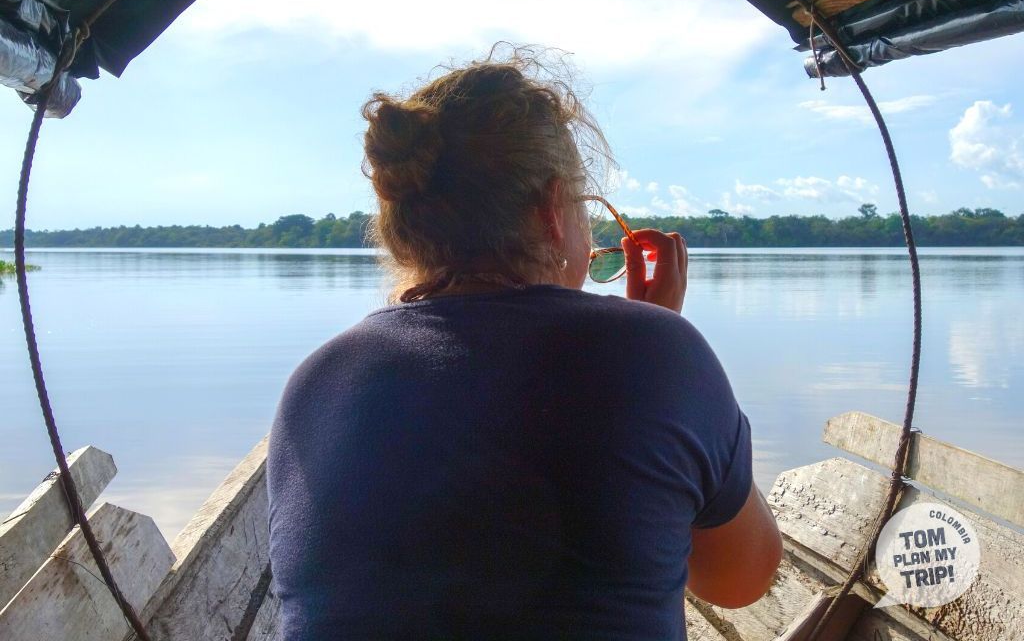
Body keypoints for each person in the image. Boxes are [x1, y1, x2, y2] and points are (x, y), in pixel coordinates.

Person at [267, 46, 782, 640]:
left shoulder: (315, 381)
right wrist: (661, 348)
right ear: (552, 211)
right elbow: (740, 580)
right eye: (588, 210)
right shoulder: (657, 353)